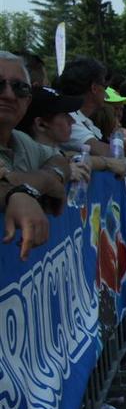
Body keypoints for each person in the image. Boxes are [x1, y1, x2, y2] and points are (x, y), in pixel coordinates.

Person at [0, 51, 72, 260]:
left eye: (19, 87)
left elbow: (59, 159)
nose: (8, 95)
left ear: (28, 101)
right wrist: (18, 193)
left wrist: (48, 177)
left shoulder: (21, 140)